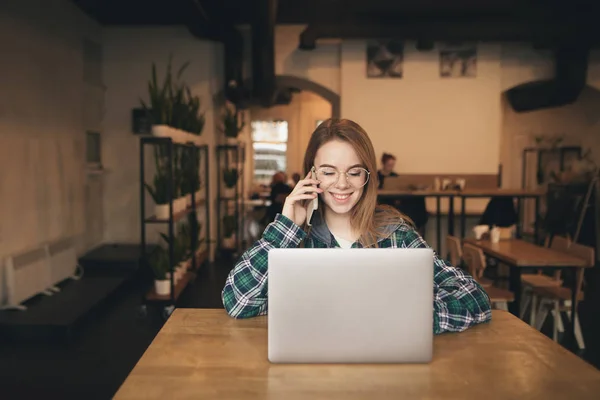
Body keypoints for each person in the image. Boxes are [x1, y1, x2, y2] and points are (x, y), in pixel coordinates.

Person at [222, 118, 491, 334]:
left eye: (354, 171)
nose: (342, 184)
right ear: (310, 175)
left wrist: (406, 321)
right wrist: (286, 227)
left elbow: (474, 299)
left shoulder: (394, 234)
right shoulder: (294, 238)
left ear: (368, 176)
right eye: (328, 172)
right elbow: (238, 301)